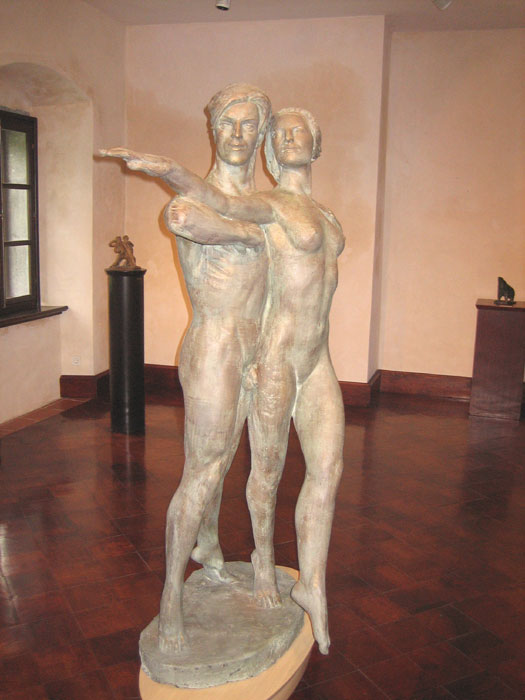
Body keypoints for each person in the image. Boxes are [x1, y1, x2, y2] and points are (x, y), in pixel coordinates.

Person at [147, 107, 346, 654]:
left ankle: (311, 585)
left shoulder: (325, 214)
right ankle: (241, 568)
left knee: (327, 470)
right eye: (279, 133)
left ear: (317, 144)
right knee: (254, 473)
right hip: (272, 356)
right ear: (270, 150)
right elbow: (220, 206)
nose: (288, 139)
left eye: (298, 131)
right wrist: (169, 170)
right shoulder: (270, 205)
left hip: (318, 357)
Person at [101, 84, 271, 652]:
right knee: (202, 470)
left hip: (253, 346)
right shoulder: (189, 202)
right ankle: (171, 596)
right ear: (212, 130)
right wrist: (253, 237)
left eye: (249, 124)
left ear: (262, 133)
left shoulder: (263, 204)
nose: (238, 135)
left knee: (225, 460)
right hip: (215, 345)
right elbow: (191, 218)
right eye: (228, 123)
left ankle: (209, 548)